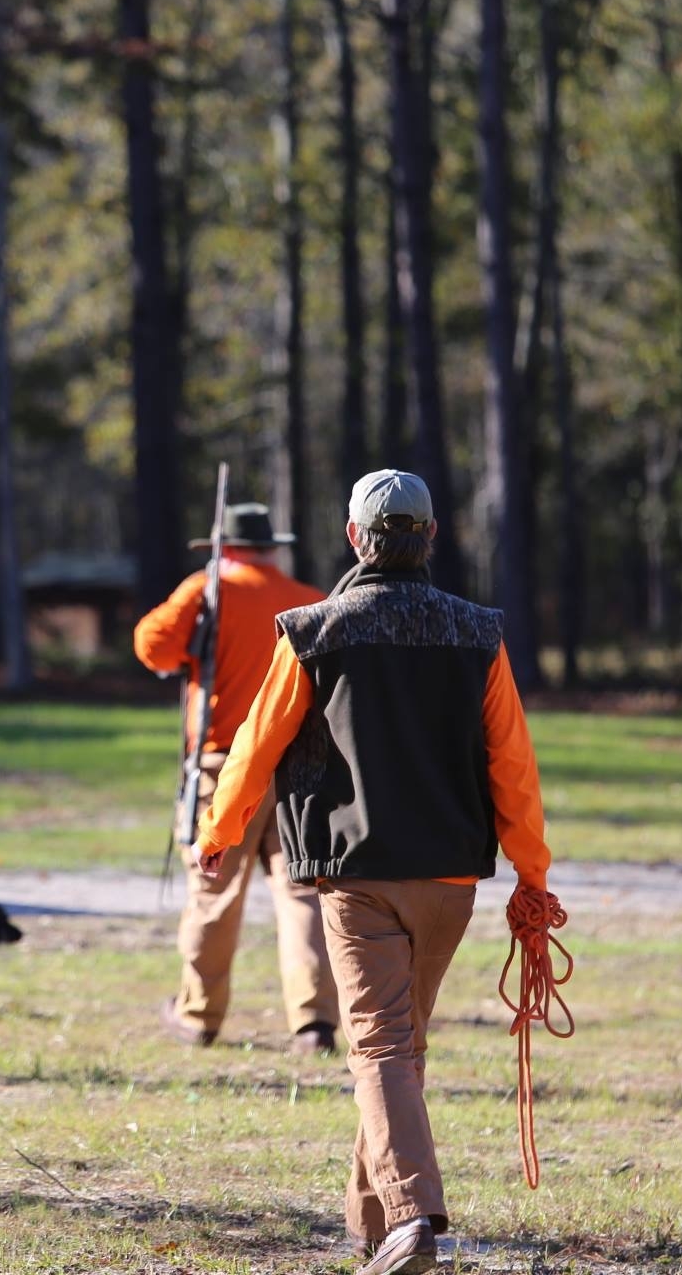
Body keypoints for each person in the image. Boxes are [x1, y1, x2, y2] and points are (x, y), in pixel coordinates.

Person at [191, 471, 552, 1275]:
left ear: (355, 539)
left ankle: (414, 1215)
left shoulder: (314, 631)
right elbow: (513, 764)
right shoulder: (478, 633)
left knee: (383, 1047)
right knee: (396, 1047)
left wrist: (219, 830)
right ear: (428, 537)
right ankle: (368, 1229)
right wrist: (532, 872)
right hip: (451, 881)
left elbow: (258, 743)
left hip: (355, 875)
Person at [134, 502, 342, 1056]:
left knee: (213, 893)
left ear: (222, 547)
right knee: (302, 893)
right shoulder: (309, 597)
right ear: (271, 547)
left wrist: (199, 607)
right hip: (300, 767)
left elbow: (151, 648)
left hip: (223, 765)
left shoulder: (206, 590)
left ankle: (198, 1016)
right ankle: (314, 1022)